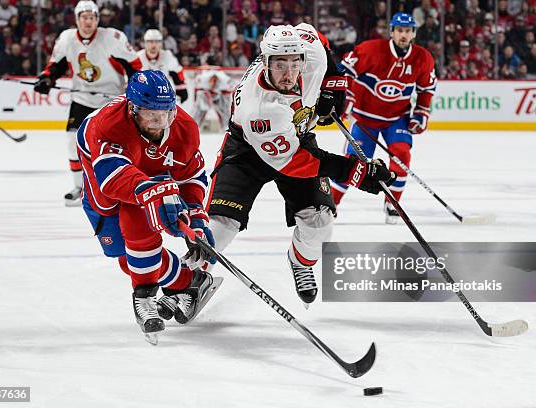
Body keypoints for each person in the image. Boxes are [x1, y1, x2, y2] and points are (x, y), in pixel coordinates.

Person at [206, 24, 395, 306]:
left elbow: (317, 37)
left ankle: (300, 261)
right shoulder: (259, 108)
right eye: (279, 64)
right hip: (247, 150)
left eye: (295, 63)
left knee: (320, 222)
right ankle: (190, 282)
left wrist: (334, 86)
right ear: (265, 62)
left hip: (296, 136)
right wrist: (355, 172)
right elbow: (295, 163)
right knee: (218, 227)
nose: (288, 73)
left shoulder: (311, 52)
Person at [77, 70, 215, 343]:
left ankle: (144, 296)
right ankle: (189, 282)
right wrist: (150, 190)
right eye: (149, 113)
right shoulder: (108, 124)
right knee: (126, 258)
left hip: (147, 174)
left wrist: (197, 214)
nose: (158, 121)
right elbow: (111, 178)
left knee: (138, 235)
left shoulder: (184, 129)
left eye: (164, 113)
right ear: (132, 109)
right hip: (101, 171)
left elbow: (191, 176)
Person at [332, 12, 437, 224]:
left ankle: (392, 203)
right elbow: (345, 71)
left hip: (396, 119)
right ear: (391, 32)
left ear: (413, 34)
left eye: (408, 31)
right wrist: (347, 98)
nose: (403, 35)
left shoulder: (422, 58)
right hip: (364, 119)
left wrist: (421, 113)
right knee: (354, 163)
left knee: (401, 156)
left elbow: (427, 89)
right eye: (399, 30)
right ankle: (330, 204)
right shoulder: (371, 50)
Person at [34, 1, 141, 206]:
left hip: (111, 100)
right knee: (72, 140)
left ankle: (123, 186)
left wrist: (134, 88)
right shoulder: (67, 38)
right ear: (77, 19)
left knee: (117, 146)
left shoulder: (113, 38)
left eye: (92, 17)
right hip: (81, 99)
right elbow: (56, 65)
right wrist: (47, 79)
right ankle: (80, 188)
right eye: (84, 17)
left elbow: (134, 66)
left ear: (97, 20)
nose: (88, 22)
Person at [137, 29, 188, 104]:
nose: (153, 45)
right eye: (150, 42)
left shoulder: (167, 55)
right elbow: (130, 76)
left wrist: (181, 90)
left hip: (162, 95)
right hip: (144, 95)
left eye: (157, 42)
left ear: (161, 43)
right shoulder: (138, 57)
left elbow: (177, 71)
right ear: (145, 43)